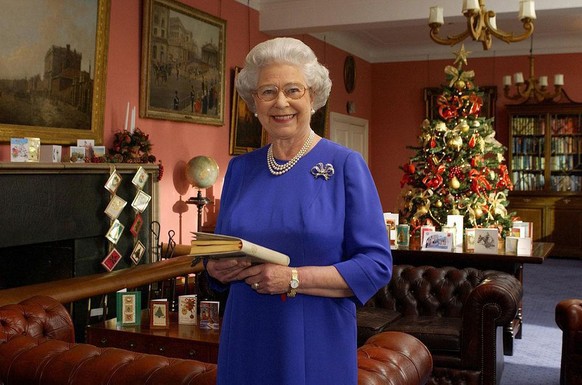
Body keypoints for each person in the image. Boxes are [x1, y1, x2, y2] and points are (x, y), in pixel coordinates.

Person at [205, 37, 392, 385]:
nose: (281, 102)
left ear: (313, 97)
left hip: (314, 341)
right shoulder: (240, 169)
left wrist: (292, 279)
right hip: (244, 336)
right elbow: (221, 247)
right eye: (268, 92)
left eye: (293, 90)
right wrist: (215, 268)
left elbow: (376, 266)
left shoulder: (345, 164)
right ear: (255, 104)